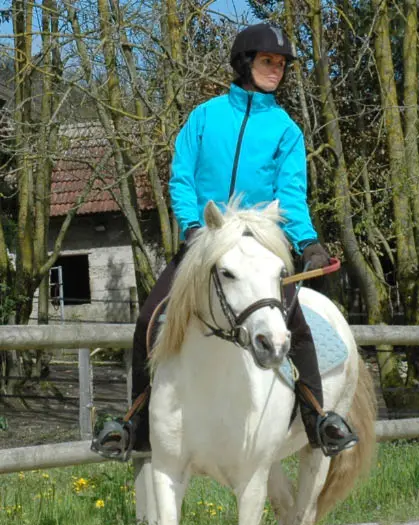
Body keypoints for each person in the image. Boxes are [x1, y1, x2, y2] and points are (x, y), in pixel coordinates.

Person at [92, 23, 358, 460]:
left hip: (260, 247)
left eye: (281, 64)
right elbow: (181, 178)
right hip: (205, 242)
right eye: (267, 61)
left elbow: (290, 196)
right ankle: (135, 422)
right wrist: (193, 227)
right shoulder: (204, 117)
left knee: (298, 327)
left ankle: (318, 419)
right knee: (149, 317)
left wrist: (307, 240)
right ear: (244, 64)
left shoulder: (287, 130)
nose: (276, 70)